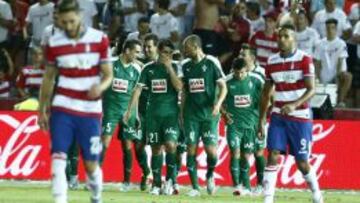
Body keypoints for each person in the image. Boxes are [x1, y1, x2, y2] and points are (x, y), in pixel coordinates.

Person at [38, 1, 113, 203]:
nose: (68, 26)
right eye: (64, 23)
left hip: (90, 109)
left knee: (90, 165)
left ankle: (96, 195)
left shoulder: (99, 39)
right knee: (58, 159)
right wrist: (41, 110)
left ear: (80, 16)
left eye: (71, 21)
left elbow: (108, 75)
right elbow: (49, 78)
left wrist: (101, 86)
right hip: (63, 106)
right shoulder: (54, 43)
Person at [258, 24, 323, 203]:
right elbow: (265, 92)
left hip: (301, 117)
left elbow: (312, 89)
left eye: (286, 36)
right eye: (280, 36)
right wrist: (261, 119)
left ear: (294, 38)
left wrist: (294, 105)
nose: (282, 39)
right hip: (278, 116)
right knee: (272, 155)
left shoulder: (305, 59)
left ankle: (317, 193)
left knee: (302, 163)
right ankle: (268, 199)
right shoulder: (271, 61)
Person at [124, 39, 183, 195]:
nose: (168, 56)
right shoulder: (148, 69)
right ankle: (156, 184)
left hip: (171, 114)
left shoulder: (176, 66)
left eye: (170, 53)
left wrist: (169, 68)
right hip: (153, 115)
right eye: (165, 52)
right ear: (158, 51)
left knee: (171, 145)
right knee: (156, 148)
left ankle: (170, 181)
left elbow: (179, 87)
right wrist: (130, 111)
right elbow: (137, 90)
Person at [100, 39, 150, 192]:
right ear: (127, 50)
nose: (138, 54)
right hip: (111, 110)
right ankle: (94, 178)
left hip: (129, 110)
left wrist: (133, 113)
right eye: (136, 51)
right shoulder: (111, 64)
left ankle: (127, 182)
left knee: (128, 145)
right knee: (105, 142)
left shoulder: (137, 69)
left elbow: (137, 92)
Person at [181, 34, 227, 196]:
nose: (184, 51)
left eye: (186, 48)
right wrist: (181, 113)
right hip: (191, 115)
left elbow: (223, 87)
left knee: (211, 152)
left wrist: (218, 105)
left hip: (209, 115)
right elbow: (184, 91)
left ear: (195, 47)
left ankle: (209, 175)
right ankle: (194, 187)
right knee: (191, 149)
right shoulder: (185, 65)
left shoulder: (212, 62)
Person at [222, 57, 263, 196]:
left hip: (250, 125)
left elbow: (268, 95)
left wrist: (262, 115)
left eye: (242, 73)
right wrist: (224, 113)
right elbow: (217, 99)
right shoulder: (226, 82)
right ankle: (237, 185)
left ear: (247, 70)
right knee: (235, 152)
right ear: (233, 70)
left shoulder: (256, 80)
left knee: (246, 156)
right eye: (236, 73)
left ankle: (247, 186)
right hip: (234, 125)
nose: (239, 76)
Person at [238, 43, 266, 195]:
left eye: (243, 55)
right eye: (240, 54)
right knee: (244, 152)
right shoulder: (237, 72)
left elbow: (268, 97)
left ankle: (261, 184)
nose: (240, 57)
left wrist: (262, 119)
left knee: (258, 152)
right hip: (242, 120)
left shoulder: (261, 74)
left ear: (253, 58)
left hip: (257, 120)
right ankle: (245, 184)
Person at [314, 18, 352, 107]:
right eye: (328, 28)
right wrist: (317, 78)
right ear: (325, 29)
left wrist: (337, 79)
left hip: (337, 75)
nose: (330, 30)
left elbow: (340, 61)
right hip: (324, 75)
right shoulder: (320, 44)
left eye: (332, 28)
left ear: (336, 29)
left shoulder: (341, 43)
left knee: (348, 76)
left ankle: (340, 102)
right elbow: (317, 63)